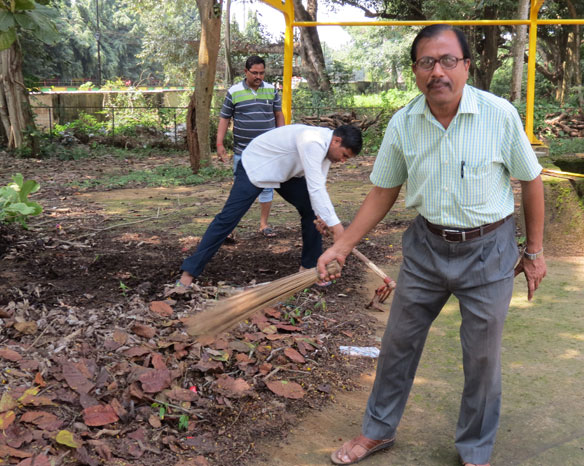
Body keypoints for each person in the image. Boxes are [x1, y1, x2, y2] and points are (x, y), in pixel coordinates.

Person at [317, 25, 547, 466]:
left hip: (489, 249)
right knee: (399, 341)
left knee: (481, 356)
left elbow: (531, 179)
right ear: (415, 70)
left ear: (466, 66)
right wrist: (342, 246)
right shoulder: (404, 123)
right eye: (426, 62)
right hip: (426, 247)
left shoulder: (499, 115)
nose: (437, 71)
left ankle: (474, 450)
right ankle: (376, 431)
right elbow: (383, 191)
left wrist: (533, 251)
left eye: (447, 61)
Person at [176, 124, 363, 288]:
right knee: (228, 219)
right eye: (344, 155)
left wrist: (323, 218)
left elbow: (318, 187)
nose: (343, 161)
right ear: (336, 141)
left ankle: (309, 268)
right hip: (256, 167)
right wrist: (338, 229)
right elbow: (315, 188)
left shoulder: (327, 151)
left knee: (311, 211)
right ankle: (189, 273)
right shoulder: (313, 141)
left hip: (285, 175)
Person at [217, 55, 285, 238]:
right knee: (240, 189)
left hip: (268, 152)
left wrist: (283, 138)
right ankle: (230, 228)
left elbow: (279, 115)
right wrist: (219, 143)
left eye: (262, 73)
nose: (259, 76)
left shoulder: (271, 90)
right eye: (254, 73)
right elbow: (225, 118)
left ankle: (264, 224)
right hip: (242, 151)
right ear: (245, 72)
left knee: (267, 186)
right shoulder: (234, 91)